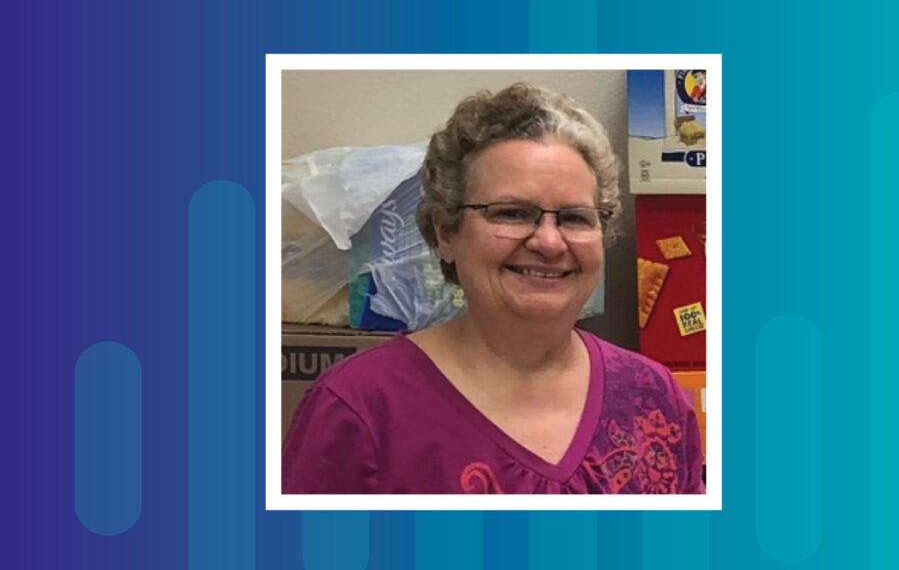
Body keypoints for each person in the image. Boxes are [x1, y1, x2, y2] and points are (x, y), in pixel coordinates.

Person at [283, 83, 705, 494]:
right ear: (446, 232)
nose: (549, 242)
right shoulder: (357, 409)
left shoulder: (653, 396)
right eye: (512, 212)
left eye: (575, 218)